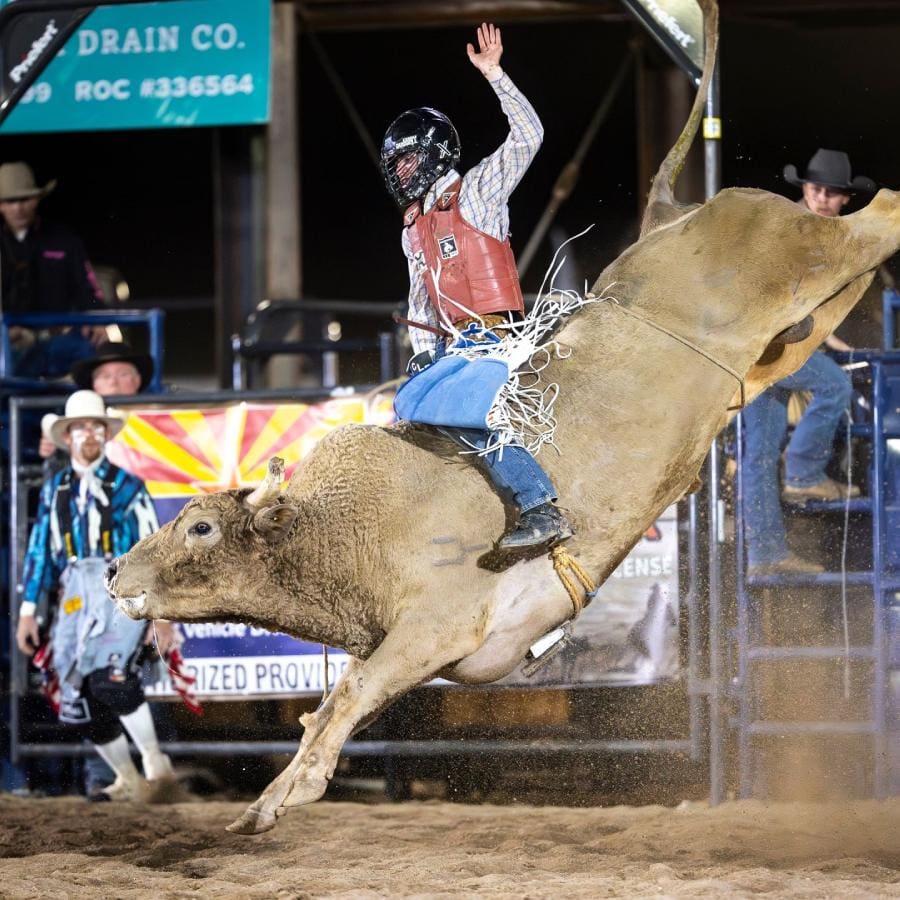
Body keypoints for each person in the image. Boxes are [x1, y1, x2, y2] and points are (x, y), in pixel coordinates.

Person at [381, 22, 571, 550]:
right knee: (411, 408)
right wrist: (423, 354)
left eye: (407, 160)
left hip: (496, 337)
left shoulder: (479, 192)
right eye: (395, 165)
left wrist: (495, 75)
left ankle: (538, 505)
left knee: (457, 410)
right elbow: (422, 298)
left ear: (435, 152)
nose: (400, 173)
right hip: (453, 347)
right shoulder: (413, 226)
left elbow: (529, 136)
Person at [16, 390, 177, 801]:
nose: (89, 434)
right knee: (79, 692)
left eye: (96, 427)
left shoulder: (127, 486)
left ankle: (156, 763)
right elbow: (39, 551)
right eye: (81, 427)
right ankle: (128, 778)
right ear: (68, 436)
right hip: (73, 592)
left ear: (106, 434)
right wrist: (29, 610)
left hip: (119, 584)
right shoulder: (56, 489)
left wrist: (160, 611)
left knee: (110, 676)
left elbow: (151, 549)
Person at [743, 148, 876, 576]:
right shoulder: (794, 229)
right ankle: (803, 474)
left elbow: (804, 300)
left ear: (844, 200)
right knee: (834, 385)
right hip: (764, 339)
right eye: (816, 189)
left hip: (760, 345)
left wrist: (828, 336)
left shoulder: (814, 233)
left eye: (831, 193)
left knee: (760, 454)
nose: (821, 197)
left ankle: (766, 554)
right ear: (804, 188)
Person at [0, 161, 105, 377]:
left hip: (58, 338)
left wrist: (96, 319)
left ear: (37, 199)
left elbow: (87, 287)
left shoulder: (64, 239)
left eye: (24, 199)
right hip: (6, 341)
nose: (17, 208)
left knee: (90, 357)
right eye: (10, 201)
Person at [38, 340, 155, 471]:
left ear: (137, 380)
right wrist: (53, 450)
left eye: (123, 374)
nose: (113, 382)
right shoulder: (73, 420)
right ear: (94, 384)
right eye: (105, 376)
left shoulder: (161, 418)